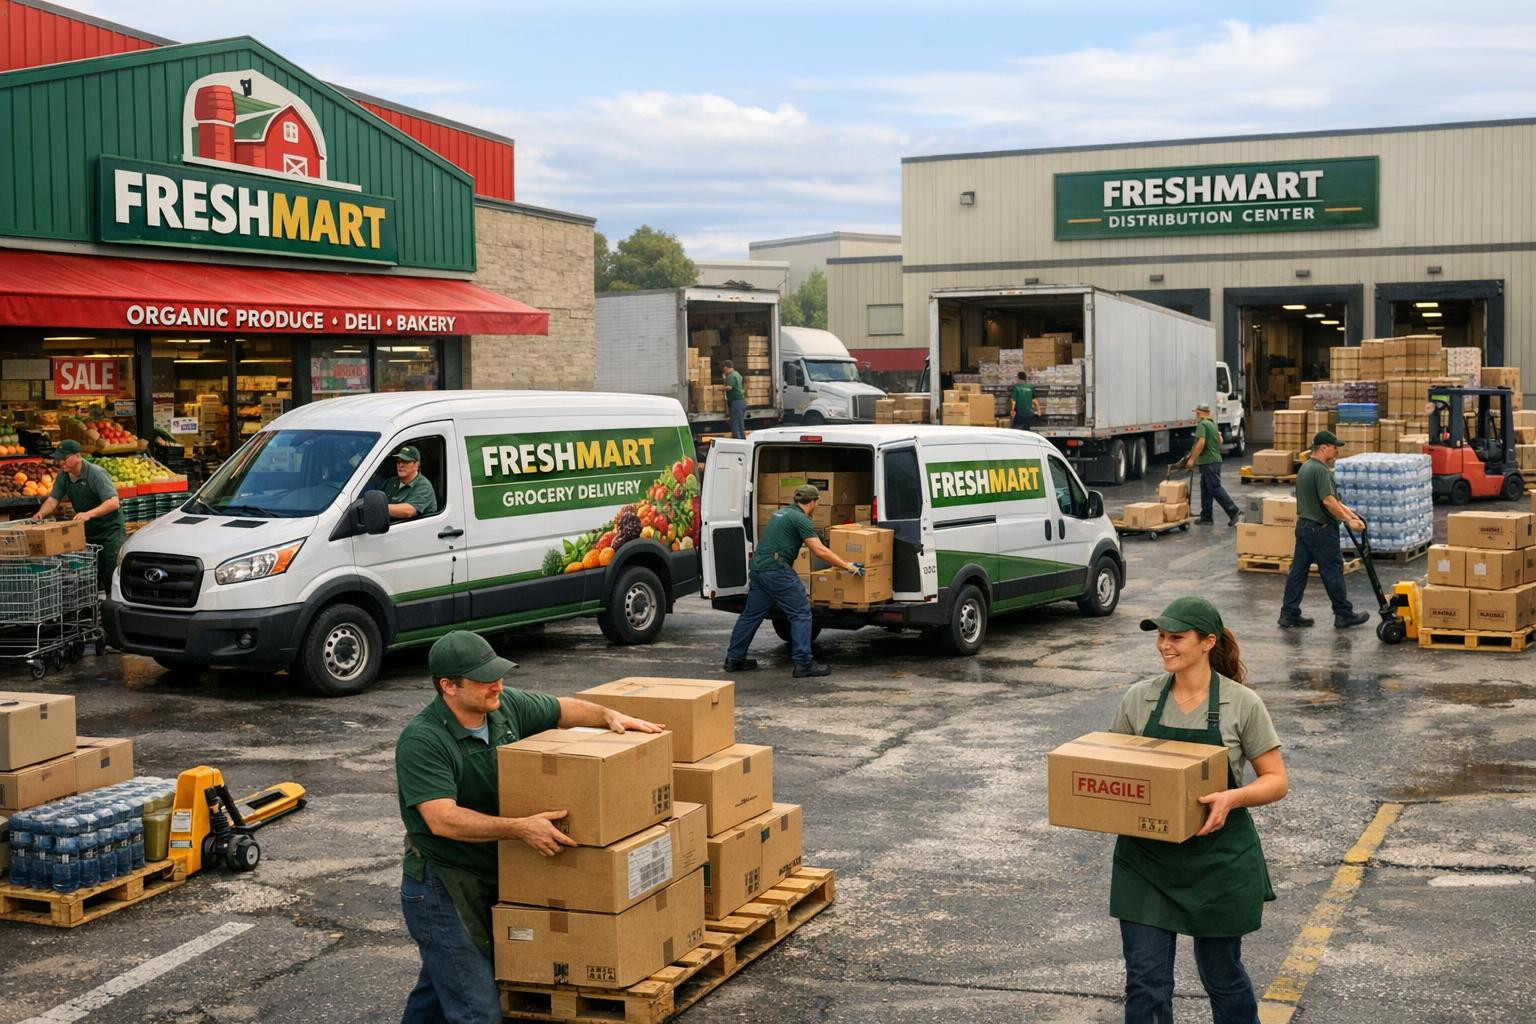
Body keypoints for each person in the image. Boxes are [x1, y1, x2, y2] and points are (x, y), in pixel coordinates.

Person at [395, 630, 663, 1023]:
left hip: (492, 872)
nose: (497, 685)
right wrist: (521, 828)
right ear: (449, 686)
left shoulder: (504, 708)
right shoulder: (423, 740)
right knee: (477, 1010)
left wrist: (608, 716)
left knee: (442, 987)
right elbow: (442, 819)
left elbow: (562, 709)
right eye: (484, 679)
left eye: (499, 674)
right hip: (443, 885)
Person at [1110, 596, 1288, 1024]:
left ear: (1208, 642)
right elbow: (1112, 767)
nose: (1164, 646)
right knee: (1145, 983)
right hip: (1146, 862)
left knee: (1222, 977)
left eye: (1176, 637)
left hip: (1218, 863)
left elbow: (1275, 779)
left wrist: (1232, 797)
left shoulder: (1241, 704)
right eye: (1161, 636)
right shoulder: (1140, 699)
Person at [723, 484, 865, 678]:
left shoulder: (781, 513)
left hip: (758, 569)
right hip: (776, 571)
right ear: (813, 502)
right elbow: (819, 550)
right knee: (801, 613)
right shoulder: (800, 518)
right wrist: (847, 565)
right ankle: (804, 663)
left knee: (751, 615)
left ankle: (734, 659)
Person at [1280, 430, 1369, 629]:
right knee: (1332, 571)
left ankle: (1289, 613)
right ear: (1323, 448)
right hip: (1321, 531)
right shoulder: (1321, 471)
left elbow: (1334, 501)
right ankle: (1343, 614)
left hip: (1305, 527)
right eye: (1334, 447)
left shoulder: (1305, 468)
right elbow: (1328, 501)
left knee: (1298, 572)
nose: (1337, 451)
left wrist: (1353, 516)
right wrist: (1348, 521)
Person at [37, 439, 125, 591]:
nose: (61, 462)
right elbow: (53, 500)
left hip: (109, 530)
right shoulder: (63, 476)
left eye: (65, 458)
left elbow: (113, 502)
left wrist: (89, 514)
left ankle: (112, 602)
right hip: (89, 531)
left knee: (111, 571)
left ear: (77, 456)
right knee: (92, 573)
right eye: (59, 458)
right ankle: (96, 602)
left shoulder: (95, 473)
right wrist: (40, 514)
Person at [1182, 403, 1240, 526]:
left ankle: (1233, 511)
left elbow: (1201, 442)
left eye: (1197, 413)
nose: (1196, 416)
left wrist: (1192, 460)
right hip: (1213, 461)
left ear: (1200, 413)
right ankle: (1206, 517)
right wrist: (1191, 456)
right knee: (1205, 488)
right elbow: (1220, 441)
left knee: (1214, 488)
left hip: (1209, 462)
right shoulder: (1212, 424)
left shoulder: (1202, 424)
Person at [383, 445, 438, 520]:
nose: (400, 465)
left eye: (405, 461)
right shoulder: (391, 482)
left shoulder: (424, 486)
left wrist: (379, 508)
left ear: (417, 464)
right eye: (398, 462)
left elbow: (408, 511)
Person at [722, 360, 747, 439]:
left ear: (726, 368)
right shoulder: (737, 374)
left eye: (724, 369)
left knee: (735, 424)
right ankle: (743, 440)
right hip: (741, 402)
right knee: (740, 424)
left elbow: (729, 387)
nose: (724, 370)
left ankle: (737, 442)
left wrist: (719, 388)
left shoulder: (731, 376)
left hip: (736, 402)